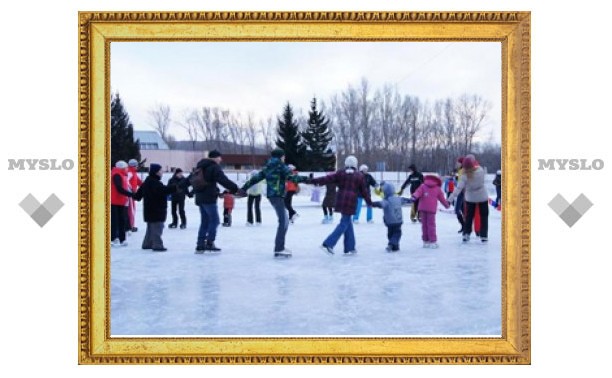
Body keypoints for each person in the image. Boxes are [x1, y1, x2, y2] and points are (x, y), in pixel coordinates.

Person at [238, 149, 309, 257]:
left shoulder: (268, 166)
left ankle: (280, 247)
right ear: (281, 156)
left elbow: (256, 178)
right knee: (283, 221)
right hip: (278, 196)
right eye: (283, 156)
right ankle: (279, 248)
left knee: (284, 221)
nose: (284, 158)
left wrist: (243, 188)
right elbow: (292, 177)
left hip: (272, 196)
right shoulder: (281, 166)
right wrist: (307, 179)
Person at [310, 155, 373, 255]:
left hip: (340, 200)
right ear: (355, 165)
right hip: (350, 201)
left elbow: (327, 178)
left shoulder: (340, 173)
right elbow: (364, 192)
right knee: (344, 223)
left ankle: (350, 247)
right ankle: (328, 244)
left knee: (348, 223)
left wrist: (313, 180)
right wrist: (370, 203)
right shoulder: (359, 176)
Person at [191, 150, 238, 253]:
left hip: (200, 198)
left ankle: (200, 245)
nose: (220, 159)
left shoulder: (200, 166)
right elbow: (223, 180)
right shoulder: (214, 167)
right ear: (215, 157)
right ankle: (209, 242)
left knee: (205, 221)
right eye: (219, 157)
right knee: (215, 221)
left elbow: (191, 179)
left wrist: (182, 186)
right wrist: (235, 188)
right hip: (209, 198)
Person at [132, 163, 177, 252]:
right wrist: (174, 187)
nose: (162, 172)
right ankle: (157, 245)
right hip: (156, 210)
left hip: (149, 210)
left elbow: (137, 196)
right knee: (157, 228)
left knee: (150, 228)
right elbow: (163, 190)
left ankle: (147, 243)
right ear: (156, 172)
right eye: (161, 170)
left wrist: (132, 194)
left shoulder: (147, 181)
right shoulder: (154, 182)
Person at [449, 154, 490, 243]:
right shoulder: (480, 170)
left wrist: (451, 198)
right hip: (482, 196)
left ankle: (466, 234)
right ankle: (484, 235)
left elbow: (459, 188)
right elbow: (484, 174)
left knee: (469, 217)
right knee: (484, 216)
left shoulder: (464, 175)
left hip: (470, 198)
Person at [411, 174, 451, 249]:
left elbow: (417, 192)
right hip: (431, 209)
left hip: (422, 208)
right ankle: (433, 241)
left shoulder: (423, 186)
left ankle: (425, 241)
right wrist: (447, 205)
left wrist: (414, 197)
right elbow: (442, 199)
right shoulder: (437, 188)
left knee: (424, 225)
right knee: (431, 225)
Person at [371, 182, 403, 252]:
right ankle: (391, 244)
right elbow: (406, 200)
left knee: (390, 234)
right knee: (397, 233)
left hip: (389, 221)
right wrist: (413, 199)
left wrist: (372, 204)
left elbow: (380, 204)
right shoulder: (398, 199)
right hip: (398, 220)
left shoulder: (386, 200)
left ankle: (395, 247)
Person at [110, 160, 133, 247]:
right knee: (115, 221)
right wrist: (130, 194)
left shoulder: (122, 175)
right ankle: (113, 238)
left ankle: (122, 239)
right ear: (122, 168)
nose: (127, 169)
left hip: (121, 201)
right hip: (114, 201)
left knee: (122, 220)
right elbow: (119, 188)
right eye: (126, 168)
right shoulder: (116, 175)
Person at [126, 159, 142, 232]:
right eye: (136, 165)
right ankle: (130, 226)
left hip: (132, 194)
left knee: (132, 210)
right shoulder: (130, 172)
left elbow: (139, 182)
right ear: (133, 166)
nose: (137, 167)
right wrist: (131, 189)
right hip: (130, 195)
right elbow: (126, 182)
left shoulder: (133, 172)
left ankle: (131, 225)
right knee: (131, 211)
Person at [453, 158, 465, 233]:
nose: (457, 164)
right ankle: (465, 226)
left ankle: (465, 225)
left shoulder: (464, 170)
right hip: (460, 191)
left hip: (463, 192)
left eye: (458, 163)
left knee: (457, 210)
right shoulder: (459, 171)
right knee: (462, 209)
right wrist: (456, 178)